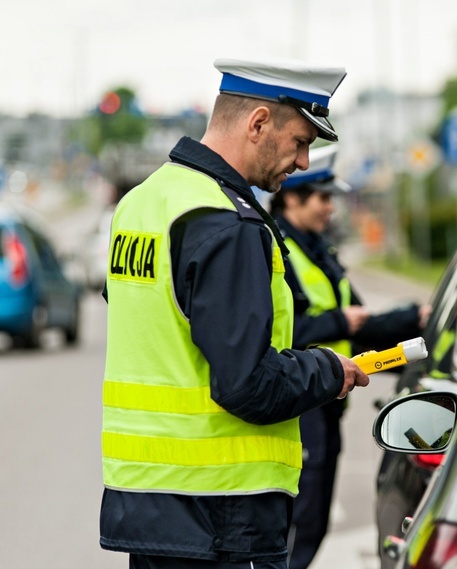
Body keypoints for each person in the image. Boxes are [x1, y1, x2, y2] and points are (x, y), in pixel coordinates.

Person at [99, 57, 371, 569]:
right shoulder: (227, 224)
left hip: (148, 506)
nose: (304, 163)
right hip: (223, 517)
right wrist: (328, 370)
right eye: (301, 141)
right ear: (259, 123)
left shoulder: (142, 203)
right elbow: (247, 384)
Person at [268, 144, 430, 569]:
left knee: (312, 522)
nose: (330, 208)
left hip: (327, 402)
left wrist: (417, 319)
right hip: (298, 405)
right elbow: (282, 333)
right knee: (297, 527)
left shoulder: (318, 251)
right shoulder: (276, 251)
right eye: (323, 198)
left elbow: (362, 326)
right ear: (291, 197)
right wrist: (339, 322)